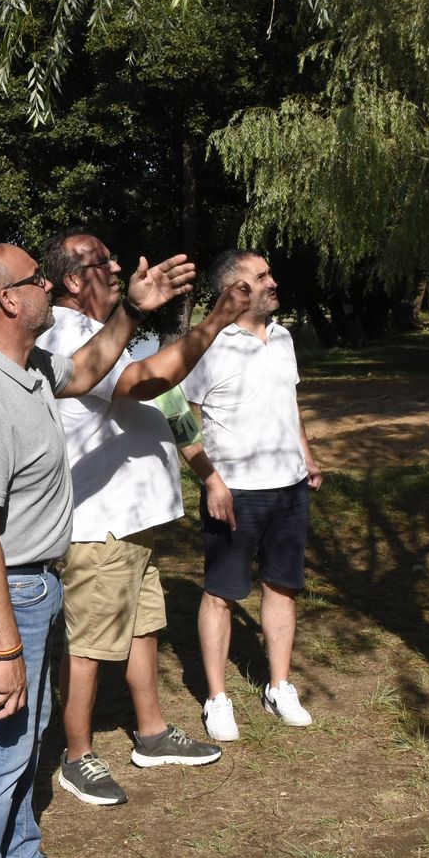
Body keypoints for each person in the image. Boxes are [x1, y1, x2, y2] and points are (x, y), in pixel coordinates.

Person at [0, 242, 195, 858]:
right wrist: (7, 648)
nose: (48, 285)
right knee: (0, 749)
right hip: (2, 590)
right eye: (35, 279)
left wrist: (130, 309)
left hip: (32, 580)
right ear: (9, 301)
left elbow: (88, 367)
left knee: (28, 732)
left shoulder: (26, 365)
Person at [36, 231, 251, 806]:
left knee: (141, 627)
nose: (116, 264)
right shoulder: (67, 333)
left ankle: (151, 733)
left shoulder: (102, 331)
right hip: (98, 525)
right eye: (101, 261)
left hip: (131, 522)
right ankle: (76, 756)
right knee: (89, 645)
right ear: (74, 281)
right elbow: (146, 383)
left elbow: (161, 393)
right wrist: (216, 321)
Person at [182, 250, 324, 733]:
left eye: (268, 274)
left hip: (288, 488)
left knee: (282, 586)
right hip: (235, 492)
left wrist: (306, 455)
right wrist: (211, 480)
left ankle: (278, 686)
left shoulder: (283, 337)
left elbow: (290, 404)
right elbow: (182, 420)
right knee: (222, 594)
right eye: (259, 276)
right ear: (233, 292)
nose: (271, 281)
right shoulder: (208, 346)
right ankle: (217, 698)